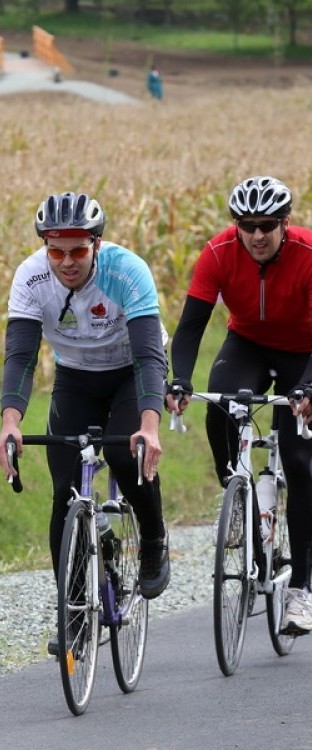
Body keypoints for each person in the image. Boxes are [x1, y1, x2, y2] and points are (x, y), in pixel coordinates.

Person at [165, 175, 312, 635]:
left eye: (268, 224)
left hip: (307, 353)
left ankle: (301, 590)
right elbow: (189, 329)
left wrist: (309, 388)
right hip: (247, 342)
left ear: (286, 223)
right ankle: (239, 496)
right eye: (248, 225)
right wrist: (181, 379)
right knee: (219, 409)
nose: (258, 235)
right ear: (237, 226)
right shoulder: (218, 252)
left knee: (299, 460)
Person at [0, 192, 171, 653]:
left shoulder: (126, 270)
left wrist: (149, 427)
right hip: (76, 376)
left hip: (131, 371)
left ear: (97, 243)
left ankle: (154, 539)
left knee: (120, 451)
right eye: (57, 250)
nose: (67, 261)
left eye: (78, 250)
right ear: (45, 247)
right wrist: (10, 423)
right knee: (65, 492)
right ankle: (75, 614)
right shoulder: (31, 277)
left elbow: (151, 357)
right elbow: (19, 358)